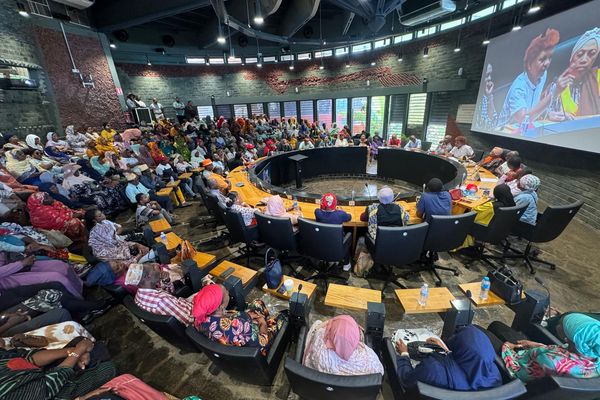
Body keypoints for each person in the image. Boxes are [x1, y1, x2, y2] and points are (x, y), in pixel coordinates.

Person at [490, 313, 600, 382]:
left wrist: (508, 348)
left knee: (478, 333)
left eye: (561, 325)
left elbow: (518, 373)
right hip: (535, 361)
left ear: (571, 338)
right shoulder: (590, 356)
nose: (558, 325)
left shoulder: (552, 362)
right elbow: (558, 352)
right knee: (497, 326)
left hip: (515, 373)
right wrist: (539, 346)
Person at [0, 337, 116, 399]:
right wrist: (78, 352)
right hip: (50, 392)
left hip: (35, 374)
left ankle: (96, 354)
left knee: (79, 341)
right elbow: (48, 385)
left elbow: (28, 359)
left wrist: (69, 352)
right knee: (107, 369)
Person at [394, 325, 502, 391]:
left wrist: (404, 354)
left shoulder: (432, 369)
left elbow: (405, 379)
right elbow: (467, 366)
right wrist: (446, 351)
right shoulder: (495, 376)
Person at [192, 284, 287, 356]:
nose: (228, 292)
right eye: (226, 293)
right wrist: (262, 322)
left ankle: (264, 318)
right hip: (255, 350)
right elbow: (263, 342)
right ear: (220, 306)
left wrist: (248, 316)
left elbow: (230, 317)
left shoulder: (201, 318)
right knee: (280, 318)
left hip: (236, 337)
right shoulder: (238, 327)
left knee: (257, 303)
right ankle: (278, 326)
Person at [497, 28, 563, 128]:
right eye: (542, 59)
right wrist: (553, 94)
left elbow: (533, 108)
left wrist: (548, 113)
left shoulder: (542, 74)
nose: (547, 63)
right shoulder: (518, 88)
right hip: (503, 132)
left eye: (550, 58)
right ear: (529, 65)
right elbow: (523, 119)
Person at [302, 315, 384, 376]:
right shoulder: (369, 359)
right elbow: (380, 374)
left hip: (322, 390)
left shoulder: (320, 351)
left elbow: (317, 329)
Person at [550, 28, 600, 119]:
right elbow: (538, 116)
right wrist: (550, 115)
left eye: (591, 54)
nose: (584, 60)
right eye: (580, 54)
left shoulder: (597, 78)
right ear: (572, 57)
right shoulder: (556, 84)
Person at [132, 263, 201, 326]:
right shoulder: (161, 301)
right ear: (148, 277)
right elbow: (189, 320)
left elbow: (169, 295)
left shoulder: (139, 295)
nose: (156, 267)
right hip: (195, 313)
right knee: (210, 289)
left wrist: (166, 280)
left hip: (183, 305)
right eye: (153, 268)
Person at [85, 209, 151, 263]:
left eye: (101, 213)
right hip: (130, 262)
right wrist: (140, 255)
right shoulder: (104, 253)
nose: (103, 215)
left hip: (124, 249)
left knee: (145, 242)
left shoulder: (105, 224)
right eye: (99, 215)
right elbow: (127, 264)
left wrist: (137, 245)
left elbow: (119, 241)